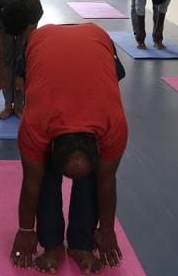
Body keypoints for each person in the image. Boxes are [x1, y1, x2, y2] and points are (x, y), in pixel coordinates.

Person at [11, 23, 128, 273]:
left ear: (98, 143)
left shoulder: (113, 124)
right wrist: (25, 230)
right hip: (42, 41)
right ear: (51, 145)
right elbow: (31, 181)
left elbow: (106, 181)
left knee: (94, 176)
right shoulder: (35, 123)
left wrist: (106, 230)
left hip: (97, 40)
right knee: (42, 176)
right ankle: (52, 244)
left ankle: (81, 244)